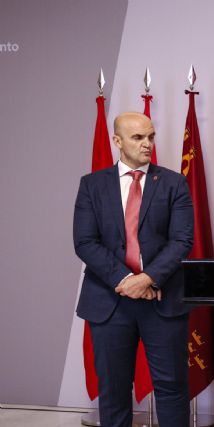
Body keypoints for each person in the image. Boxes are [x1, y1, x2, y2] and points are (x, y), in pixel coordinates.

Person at [73, 112, 194, 427]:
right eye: (138, 137)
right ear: (117, 141)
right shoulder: (92, 185)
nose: (147, 144)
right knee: (113, 394)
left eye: (151, 136)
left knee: (172, 390)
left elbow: (182, 240)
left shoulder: (174, 183)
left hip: (162, 300)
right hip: (109, 302)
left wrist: (148, 279)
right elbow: (85, 242)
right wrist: (127, 279)